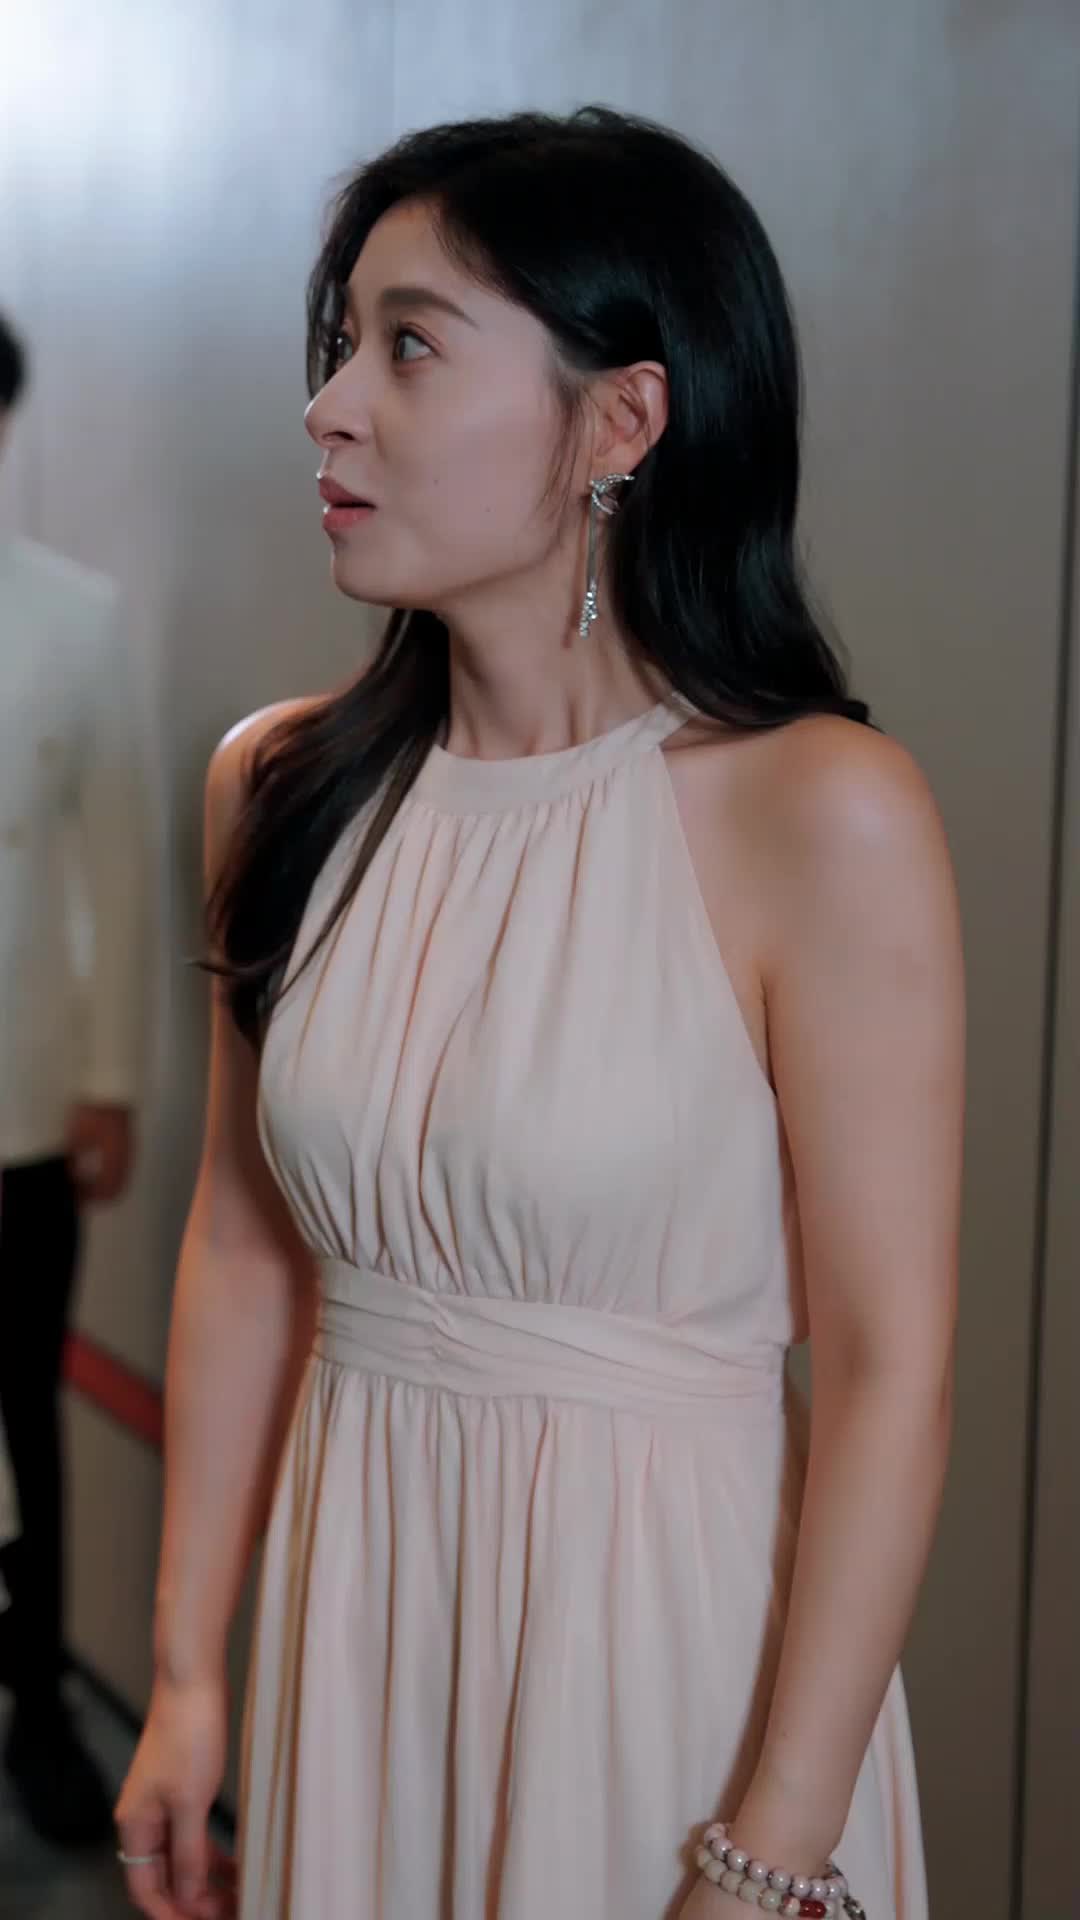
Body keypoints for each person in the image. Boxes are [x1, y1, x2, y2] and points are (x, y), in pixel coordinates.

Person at [115, 107, 964, 1920]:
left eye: (410, 345)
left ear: (621, 422)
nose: (332, 406)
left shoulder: (818, 812)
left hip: (676, 1679)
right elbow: (248, 1245)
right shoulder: (280, 788)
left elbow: (891, 1373)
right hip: (365, 1632)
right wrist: (188, 1674)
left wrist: (770, 1848)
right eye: (342, 342)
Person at [0, 310, 144, 1845]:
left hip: (20, 1106)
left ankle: (36, 1710)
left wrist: (112, 1075)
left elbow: (118, 859)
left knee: (21, 1415)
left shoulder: (74, 619)